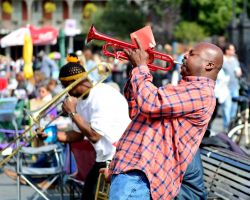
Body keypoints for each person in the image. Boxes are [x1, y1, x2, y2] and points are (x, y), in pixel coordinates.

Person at [104, 39, 223, 200]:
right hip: (132, 170)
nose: (185, 56)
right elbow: (138, 111)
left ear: (208, 65)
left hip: (141, 176)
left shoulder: (201, 93)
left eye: (192, 54)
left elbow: (150, 103)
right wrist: (136, 69)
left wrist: (141, 67)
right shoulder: (180, 89)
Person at [56, 53, 131, 200]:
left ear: (77, 82)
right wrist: (52, 136)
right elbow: (78, 134)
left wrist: (72, 113)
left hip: (118, 157)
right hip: (104, 157)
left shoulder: (101, 95)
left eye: (66, 87)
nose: (65, 91)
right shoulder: (82, 101)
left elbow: (94, 136)